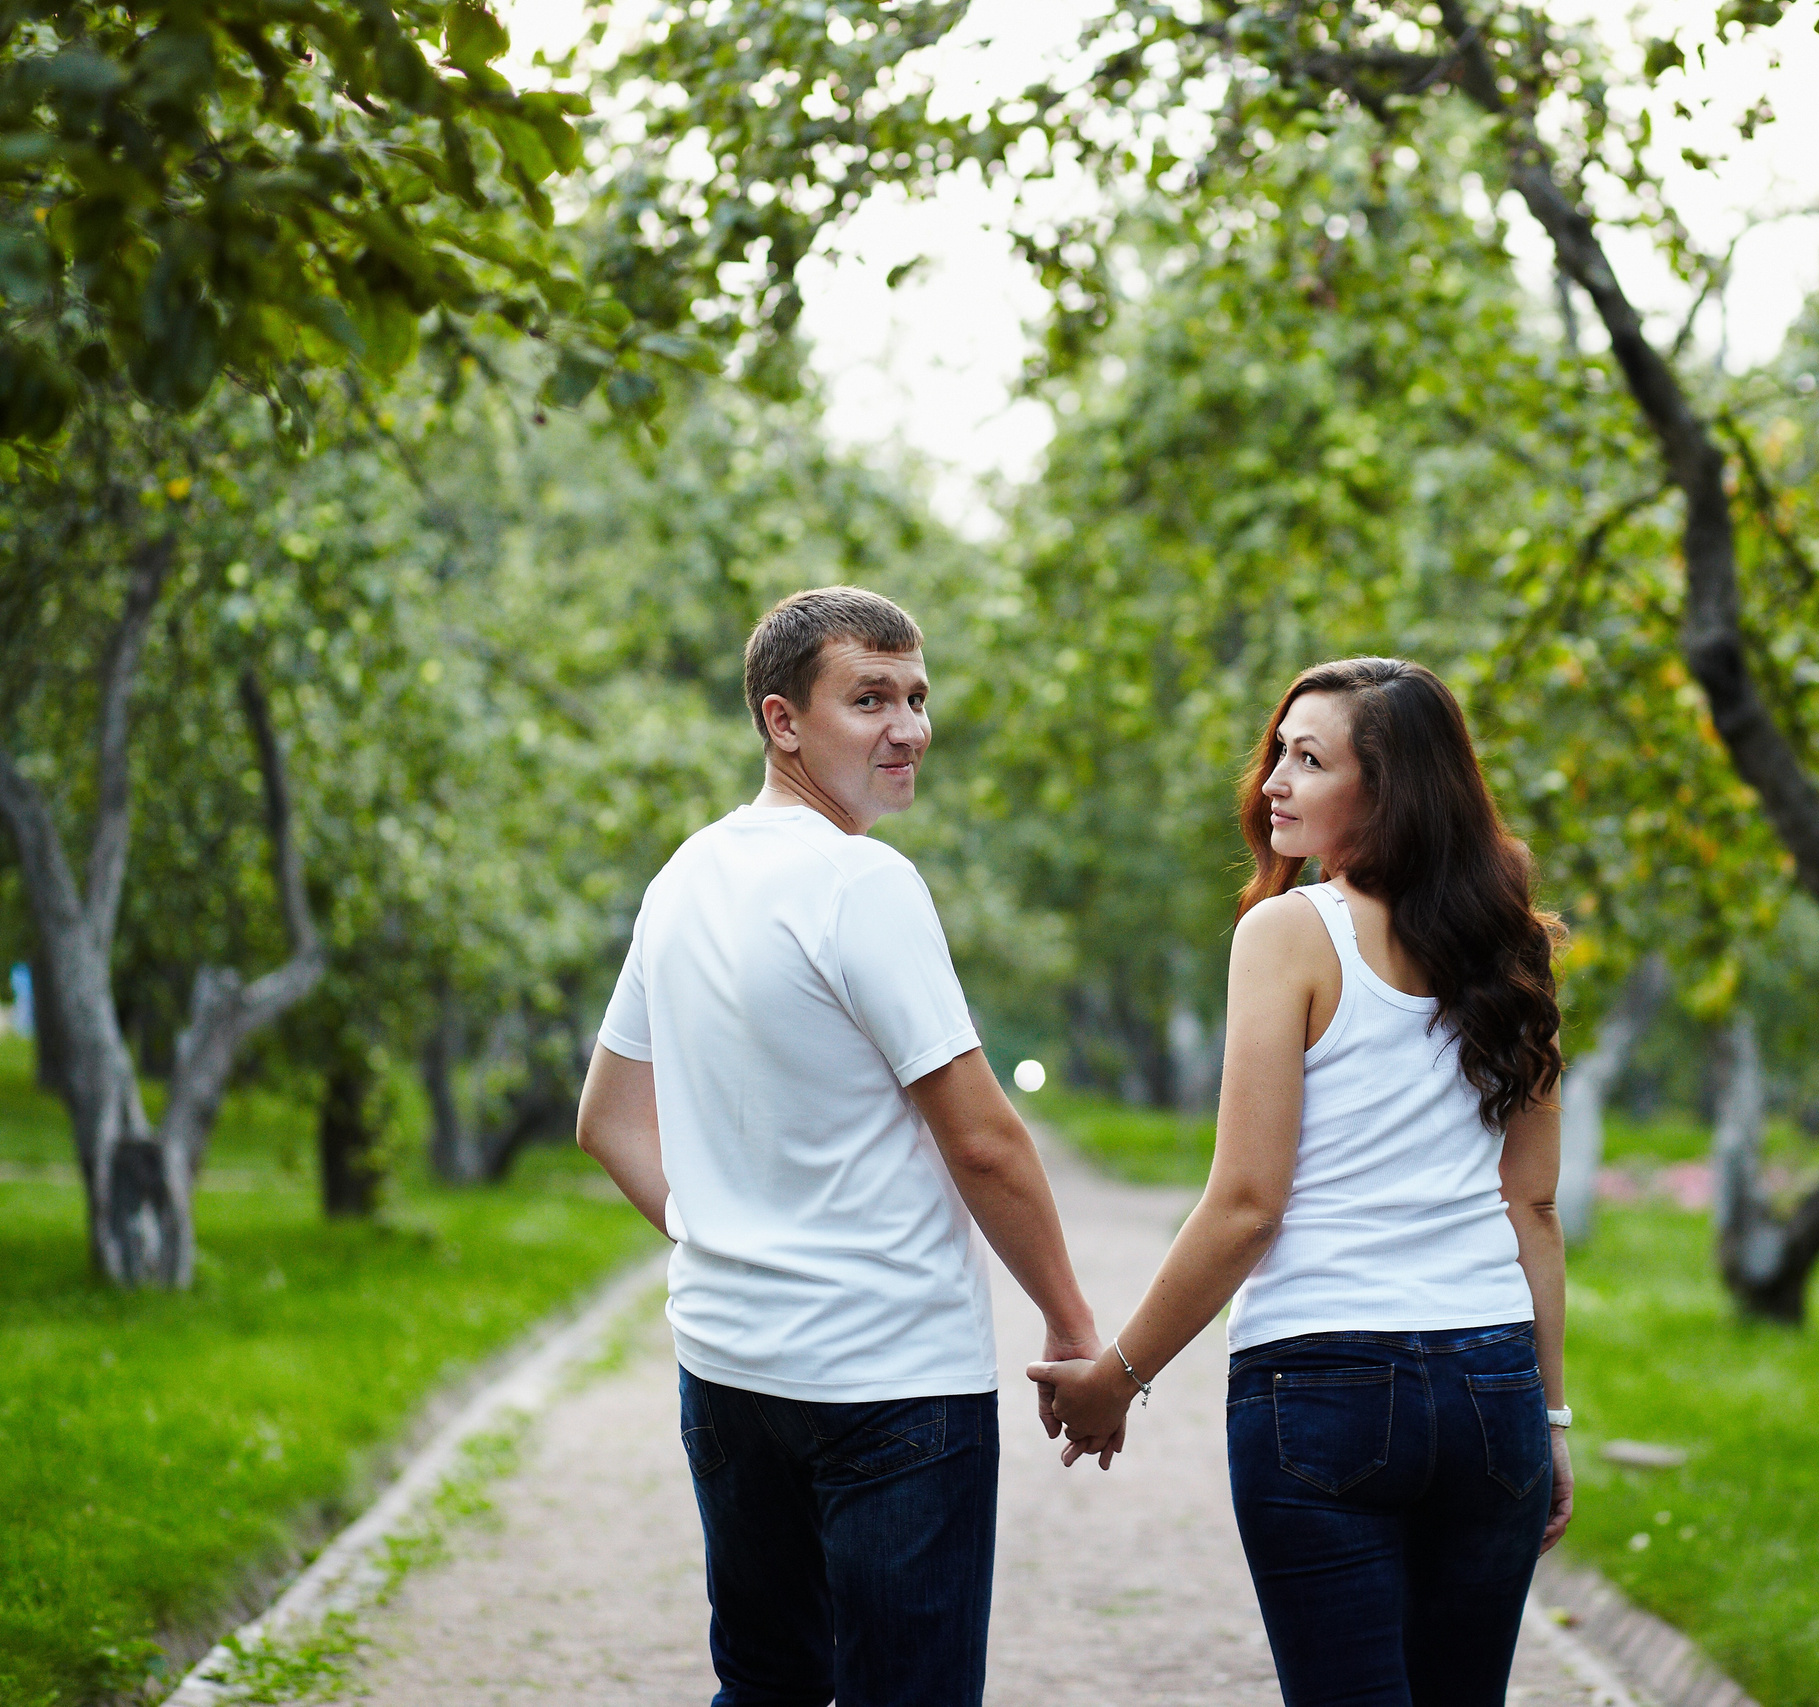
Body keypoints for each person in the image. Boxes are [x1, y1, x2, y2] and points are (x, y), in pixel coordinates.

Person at [576, 586, 1102, 1707]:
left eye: (915, 696)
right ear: (782, 720)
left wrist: (718, 1233)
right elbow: (985, 1143)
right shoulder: (862, 880)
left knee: (764, 1685)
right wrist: (1072, 1326)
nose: (906, 726)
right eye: (868, 699)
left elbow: (608, 1119)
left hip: (728, 1371)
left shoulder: (684, 877)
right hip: (890, 1383)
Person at [1033, 656, 1575, 1707]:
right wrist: (1550, 1423)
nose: (1273, 780)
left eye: (1310, 759)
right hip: (1491, 1392)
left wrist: (1119, 1376)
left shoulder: (1288, 932)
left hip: (1322, 1389)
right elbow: (1533, 1209)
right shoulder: (1509, 950)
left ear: (1390, 791)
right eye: (1280, 750)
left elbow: (1247, 1204)